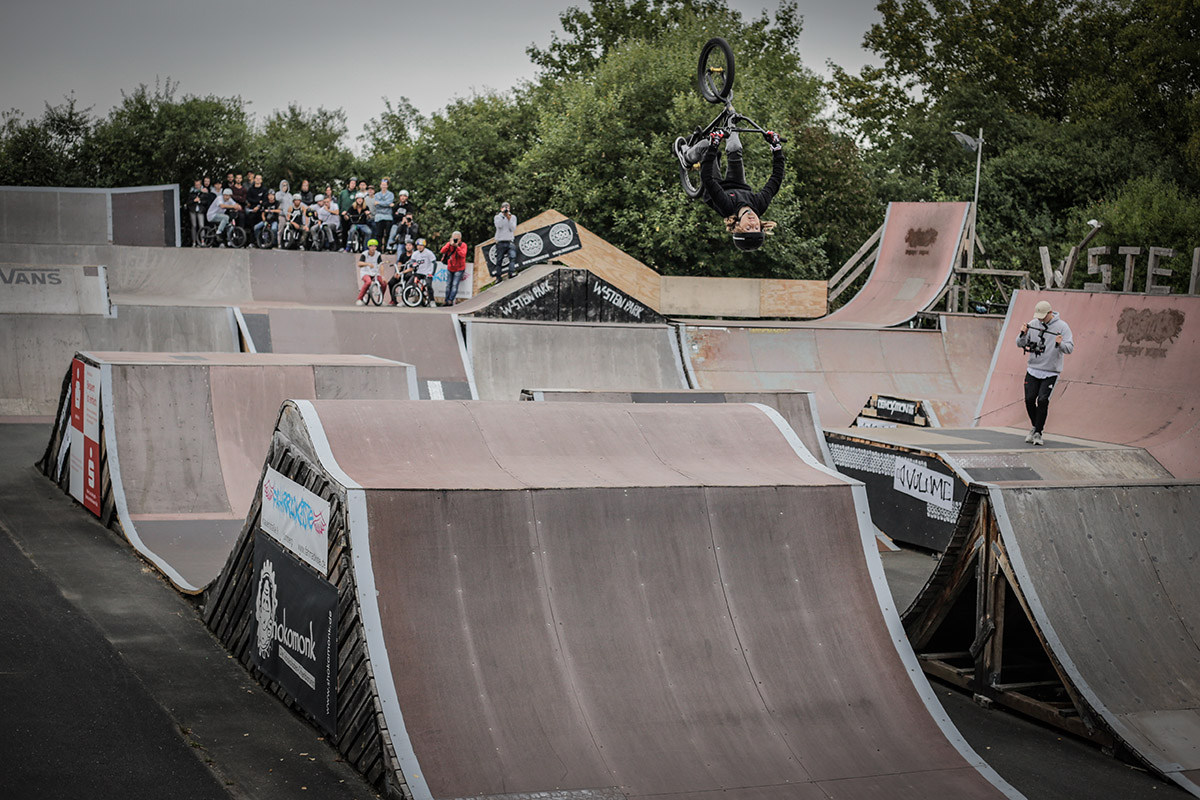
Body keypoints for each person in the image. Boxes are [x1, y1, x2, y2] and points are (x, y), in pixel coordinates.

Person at [682, 128, 784, 251]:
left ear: (737, 226)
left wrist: (713, 147)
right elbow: (776, 179)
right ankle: (729, 124)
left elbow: (707, 179)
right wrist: (777, 148)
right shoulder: (759, 204)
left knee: (705, 146)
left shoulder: (728, 207)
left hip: (714, 186)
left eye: (748, 228)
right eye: (757, 228)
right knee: (735, 148)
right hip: (738, 183)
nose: (753, 223)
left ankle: (686, 157)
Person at [1016, 299, 1074, 446]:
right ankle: (1035, 427)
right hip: (1033, 369)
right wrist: (1022, 334)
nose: (1040, 320)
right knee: (1029, 399)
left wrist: (1060, 343)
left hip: (1050, 371)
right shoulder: (1033, 324)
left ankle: (1038, 432)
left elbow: (1069, 348)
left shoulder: (1062, 326)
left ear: (1050, 313)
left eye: (1043, 317)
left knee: (1042, 400)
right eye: (1039, 317)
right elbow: (1019, 343)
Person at [440, 231, 468, 307]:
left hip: (459, 268)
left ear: (460, 239)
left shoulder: (463, 245)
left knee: (455, 285)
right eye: (454, 238)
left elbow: (463, 254)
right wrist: (449, 244)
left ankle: (450, 300)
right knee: (448, 285)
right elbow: (442, 251)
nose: (455, 240)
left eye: (457, 239)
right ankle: (446, 300)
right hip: (450, 267)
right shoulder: (449, 244)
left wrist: (457, 247)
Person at [492, 201, 518, 280]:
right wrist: (503, 216)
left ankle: (511, 272)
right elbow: (499, 226)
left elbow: (513, 228)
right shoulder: (497, 217)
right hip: (500, 241)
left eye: (508, 208)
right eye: (504, 208)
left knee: (512, 257)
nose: (506, 209)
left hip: (509, 241)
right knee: (499, 260)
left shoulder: (513, 217)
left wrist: (508, 218)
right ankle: (498, 277)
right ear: (501, 209)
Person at [355, 239, 384, 305]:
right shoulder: (364, 254)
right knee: (368, 282)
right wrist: (367, 264)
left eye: (375, 246)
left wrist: (382, 276)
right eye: (371, 246)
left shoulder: (378, 254)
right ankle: (359, 299)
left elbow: (381, 265)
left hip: (375, 273)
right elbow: (359, 264)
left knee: (383, 283)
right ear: (369, 247)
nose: (373, 248)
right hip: (365, 272)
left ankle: (380, 299)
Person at [372, 178, 394, 246]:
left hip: (388, 216)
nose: (383, 186)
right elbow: (377, 205)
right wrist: (387, 204)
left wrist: (379, 203)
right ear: (380, 185)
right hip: (379, 216)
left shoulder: (391, 194)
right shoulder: (376, 195)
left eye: (385, 185)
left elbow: (389, 203)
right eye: (382, 185)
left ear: (387, 186)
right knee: (379, 234)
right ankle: (379, 248)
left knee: (387, 233)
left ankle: (386, 248)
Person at [187, 179, 207, 246]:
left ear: (201, 184)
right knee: (194, 226)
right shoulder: (191, 192)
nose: (197, 186)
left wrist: (200, 201)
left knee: (201, 225)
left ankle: (202, 241)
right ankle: (194, 242)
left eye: (198, 185)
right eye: (196, 185)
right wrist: (194, 200)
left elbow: (206, 202)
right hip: (192, 210)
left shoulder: (204, 191)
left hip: (200, 210)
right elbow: (188, 202)